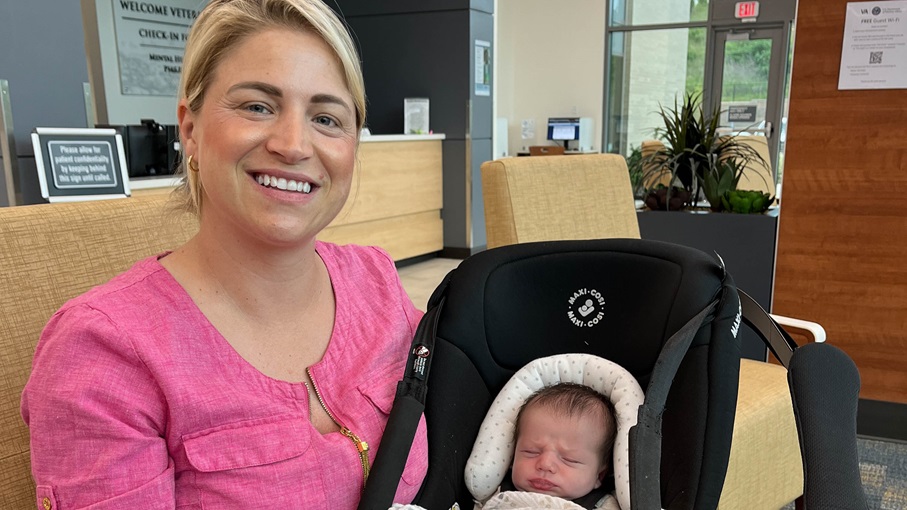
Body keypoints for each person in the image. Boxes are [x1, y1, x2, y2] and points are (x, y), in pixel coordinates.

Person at [20, 0, 427, 508]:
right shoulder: (105, 353)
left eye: (326, 118)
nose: (294, 144)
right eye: (258, 106)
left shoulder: (376, 282)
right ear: (189, 129)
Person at [486, 382, 619, 510]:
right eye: (531, 452)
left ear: (599, 475)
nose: (545, 464)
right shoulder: (495, 495)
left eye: (569, 459)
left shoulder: (604, 506)